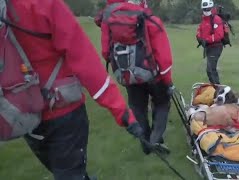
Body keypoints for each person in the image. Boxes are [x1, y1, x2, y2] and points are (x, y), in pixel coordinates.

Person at [0, 0, 143, 180]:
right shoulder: (45, 4)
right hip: (63, 115)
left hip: (23, 116)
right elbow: (88, 65)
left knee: (68, 171)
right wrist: (123, 114)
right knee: (71, 172)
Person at [101, 0, 173, 155]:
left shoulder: (109, 19)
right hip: (154, 75)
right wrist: (167, 81)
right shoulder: (149, 19)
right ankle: (155, 140)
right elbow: (164, 58)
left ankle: (146, 144)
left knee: (137, 107)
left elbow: (106, 52)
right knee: (162, 103)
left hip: (128, 74)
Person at [196, 0, 225, 84]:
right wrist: (199, 38)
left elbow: (219, 35)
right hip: (208, 47)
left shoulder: (216, 19)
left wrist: (206, 39)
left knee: (210, 69)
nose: (206, 11)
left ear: (212, 8)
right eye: (204, 9)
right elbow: (199, 31)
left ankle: (217, 89)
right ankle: (215, 88)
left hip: (216, 47)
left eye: (208, 9)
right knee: (211, 69)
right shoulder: (204, 20)